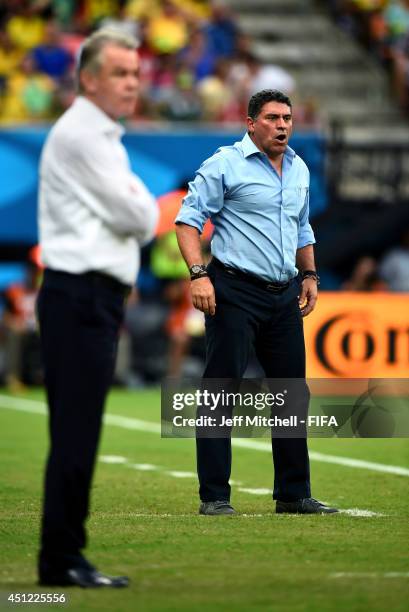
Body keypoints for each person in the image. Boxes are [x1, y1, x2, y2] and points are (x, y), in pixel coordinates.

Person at [175, 89, 338, 516]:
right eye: (272, 117)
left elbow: (302, 228)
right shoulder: (224, 164)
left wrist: (310, 275)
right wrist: (198, 276)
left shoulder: (299, 168)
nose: (282, 124)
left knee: (290, 396)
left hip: (284, 295)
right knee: (219, 393)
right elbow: (187, 221)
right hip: (234, 291)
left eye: (287, 117)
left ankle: (293, 494)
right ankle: (214, 496)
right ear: (251, 123)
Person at [37, 29, 158, 587]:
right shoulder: (87, 136)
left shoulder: (99, 134)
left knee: (75, 431)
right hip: (82, 295)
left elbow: (134, 209)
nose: (131, 83)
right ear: (88, 78)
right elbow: (139, 218)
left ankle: (60, 556)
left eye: (135, 73)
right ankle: (62, 559)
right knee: (77, 433)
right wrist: (147, 206)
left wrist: (140, 204)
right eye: (119, 73)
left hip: (83, 296)